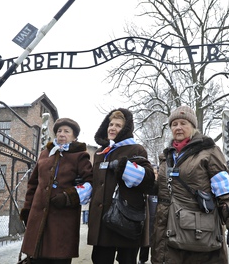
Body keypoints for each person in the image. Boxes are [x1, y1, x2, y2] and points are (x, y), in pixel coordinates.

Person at [151, 106, 229, 264]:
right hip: (167, 230)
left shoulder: (208, 152)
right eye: (174, 124)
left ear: (193, 127)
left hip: (198, 234)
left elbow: (225, 191)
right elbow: (162, 188)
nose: (178, 127)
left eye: (183, 123)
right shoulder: (166, 156)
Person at [20, 118, 93, 264]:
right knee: (36, 257)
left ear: (74, 136)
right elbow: (33, 184)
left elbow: (90, 183)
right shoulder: (45, 154)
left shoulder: (79, 156)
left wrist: (68, 197)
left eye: (67, 131)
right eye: (59, 131)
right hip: (38, 215)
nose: (61, 134)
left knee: (59, 258)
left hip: (63, 218)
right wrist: (28, 209)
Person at [87, 108, 155, 264]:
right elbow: (94, 183)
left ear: (125, 129)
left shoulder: (136, 149)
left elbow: (148, 180)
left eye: (118, 125)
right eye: (111, 124)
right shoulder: (100, 152)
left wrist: (125, 168)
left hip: (126, 219)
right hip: (102, 221)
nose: (112, 128)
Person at [138, 165, 158, 264]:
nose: (155, 175)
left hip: (157, 216)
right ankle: (142, 259)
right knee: (145, 238)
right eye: (153, 173)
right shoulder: (147, 185)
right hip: (147, 215)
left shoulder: (160, 186)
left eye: (156, 173)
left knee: (155, 239)